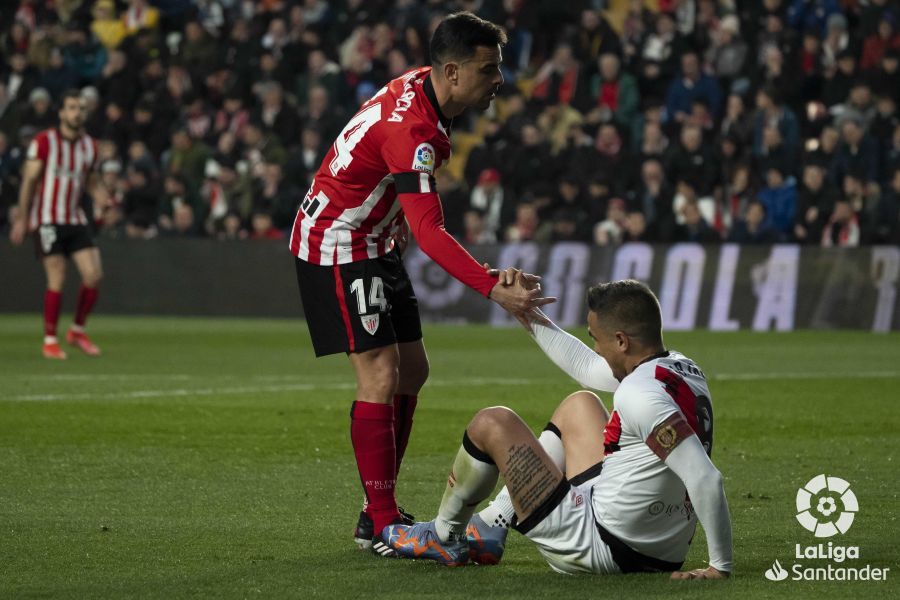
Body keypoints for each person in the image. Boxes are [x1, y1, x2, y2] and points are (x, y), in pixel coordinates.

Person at [287, 12, 554, 558]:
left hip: (377, 238)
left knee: (415, 369)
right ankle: (381, 521)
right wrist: (491, 287)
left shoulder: (431, 97)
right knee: (381, 372)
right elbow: (431, 231)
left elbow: (408, 199)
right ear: (452, 72)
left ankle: (377, 510)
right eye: (489, 69)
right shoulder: (414, 129)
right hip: (337, 240)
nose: (499, 79)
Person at [384, 278, 733, 579]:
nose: (595, 347)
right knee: (580, 405)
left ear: (622, 341)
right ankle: (491, 524)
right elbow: (586, 366)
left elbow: (705, 477)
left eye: (597, 338)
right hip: (661, 546)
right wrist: (525, 312)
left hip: (603, 546)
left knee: (492, 423)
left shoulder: (639, 394)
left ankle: (443, 535)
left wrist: (719, 566)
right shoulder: (679, 368)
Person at [8, 88, 103, 360]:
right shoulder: (44, 142)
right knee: (57, 274)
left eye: (81, 108)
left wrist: (102, 198)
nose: (77, 112)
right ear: (61, 112)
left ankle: (76, 331)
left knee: (93, 275)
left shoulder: (90, 147)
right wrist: (22, 218)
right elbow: (29, 181)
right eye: (72, 107)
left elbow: (92, 181)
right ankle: (50, 340)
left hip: (75, 218)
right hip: (47, 219)